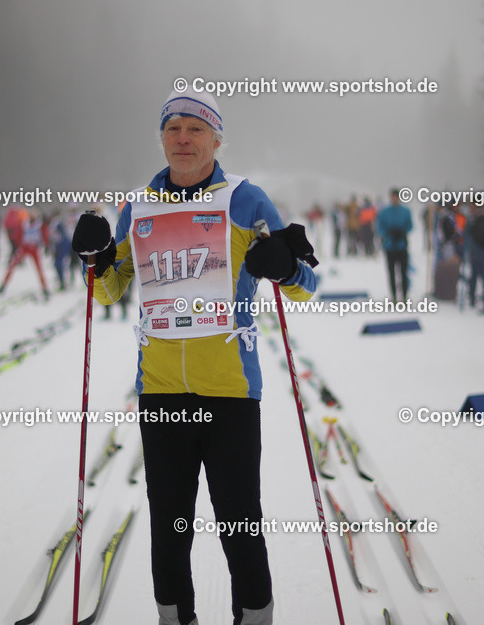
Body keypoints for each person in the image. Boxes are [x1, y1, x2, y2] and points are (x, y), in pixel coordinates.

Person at [72, 89, 317, 625]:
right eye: (173, 128)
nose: (183, 138)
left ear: (216, 139)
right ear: (161, 138)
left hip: (230, 391)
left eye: (196, 128)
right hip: (161, 392)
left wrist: (284, 267)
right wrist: (95, 258)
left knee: (239, 525)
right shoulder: (137, 205)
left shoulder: (247, 200)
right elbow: (111, 290)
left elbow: (305, 286)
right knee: (168, 527)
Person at [0, 209, 51, 298]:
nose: (32, 218)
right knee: (12, 265)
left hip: (34, 248)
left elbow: (45, 233)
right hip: (24, 247)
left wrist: (46, 244)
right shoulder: (24, 224)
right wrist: (16, 244)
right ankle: (3, 285)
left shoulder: (40, 224)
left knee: (39, 268)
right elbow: (18, 233)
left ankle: (44, 287)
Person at [377, 188, 413, 302]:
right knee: (391, 273)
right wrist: (388, 233)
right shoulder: (385, 212)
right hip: (390, 246)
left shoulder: (405, 211)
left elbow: (410, 225)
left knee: (403, 272)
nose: (394, 199)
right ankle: (394, 297)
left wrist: (402, 232)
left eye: (396, 197)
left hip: (402, 245)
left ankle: (404, 296)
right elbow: (379, 227)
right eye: (393, 197)